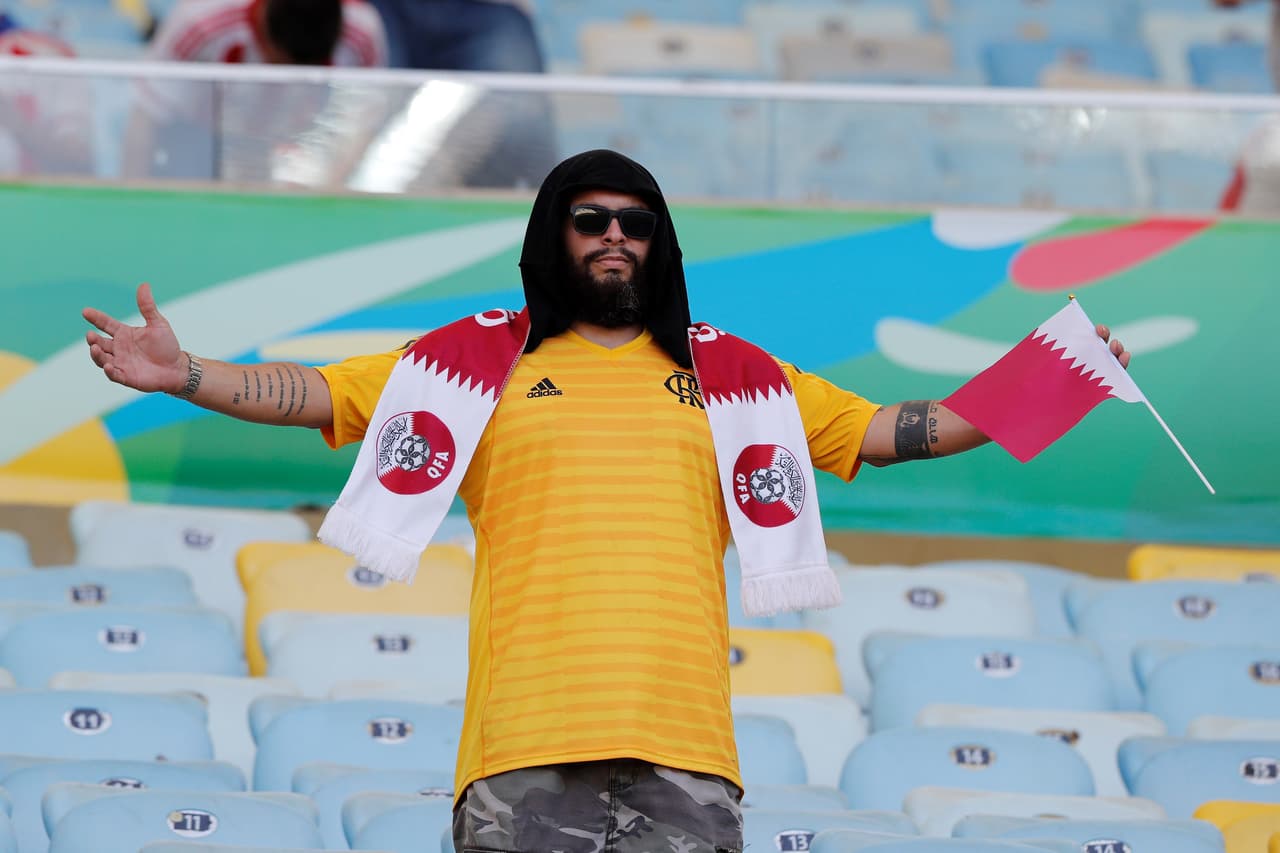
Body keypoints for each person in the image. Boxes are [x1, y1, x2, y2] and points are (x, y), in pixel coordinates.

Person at [83, 149, 1131, 853]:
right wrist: (182, 376)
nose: (613, 237)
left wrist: (1046, 383)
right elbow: (313, 394)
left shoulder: (738, 374)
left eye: (635, 222)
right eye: (590, 221)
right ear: (554, 235)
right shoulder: (470, 363)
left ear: (659, 242)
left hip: (687, 750)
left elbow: (888, 433)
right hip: (520, 745)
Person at [122, 0, 387, 181]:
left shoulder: (363, 33)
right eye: (281, 66)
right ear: (262, 28)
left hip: (301, 153)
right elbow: (146, 119)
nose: (290, 81)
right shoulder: (201, 22)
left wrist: (333, 190)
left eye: (308, 71)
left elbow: (360, 127)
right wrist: (133, 205)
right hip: (200, 144)